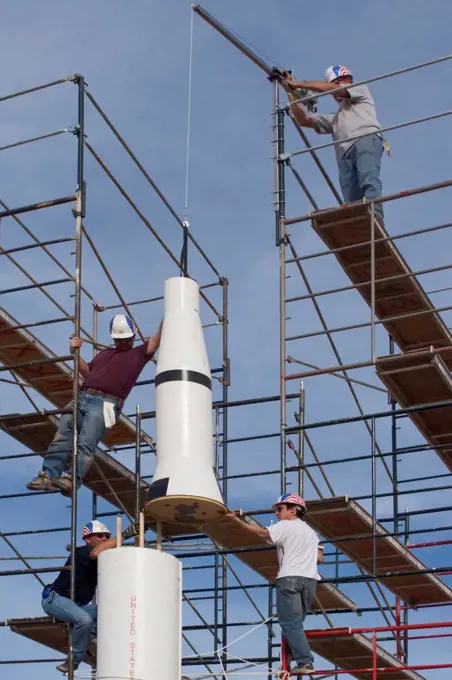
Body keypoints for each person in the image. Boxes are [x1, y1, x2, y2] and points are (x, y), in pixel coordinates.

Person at [27, 314, 162, 495]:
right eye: (119, 340)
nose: (123, 343)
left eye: (126, 339)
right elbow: (87, 372)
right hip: (83, 396)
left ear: (134, 335)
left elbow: (157, 339)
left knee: (86, 443)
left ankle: (71, 480)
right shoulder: (105, 354)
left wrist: (169, 312)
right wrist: (75, 353)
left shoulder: (138, 353)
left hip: (105, 403)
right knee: (62, 438)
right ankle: (49, 475)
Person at [224, 492, 323, 676]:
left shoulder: (286, 526)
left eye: (280, 509)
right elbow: (319, 557)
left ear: (294, 511)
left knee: (289, 624)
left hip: (290, 579)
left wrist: (236, 521)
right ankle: (289, 660)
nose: (276, 514)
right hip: (310, 582)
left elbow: (263, 533)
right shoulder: (311, 532)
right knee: (296, 625)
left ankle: (305, 661)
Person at [283, 65, 384, 221]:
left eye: (338, 82)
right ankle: (359, 225)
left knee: (369, 180)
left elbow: (334, 89)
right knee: (351, 198)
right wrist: (291, 93)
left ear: (347, 79)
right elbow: (304, 120)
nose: (334, 89)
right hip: (344, 153)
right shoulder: (335, 118)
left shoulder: (360, 90)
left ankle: (376, 218)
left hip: (365, 138)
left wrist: (300, 84)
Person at [41, 519, 139, 674]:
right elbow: (95, 552)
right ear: (88, 539)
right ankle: (73, 661)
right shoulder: (83, 552)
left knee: (111, 612)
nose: (105, 539)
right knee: (84, 619)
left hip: (77, 604)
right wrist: (124, 535)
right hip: (55, 599)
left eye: (107, 536)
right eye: (100, 536)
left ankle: (89, 638)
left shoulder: (103, 561)